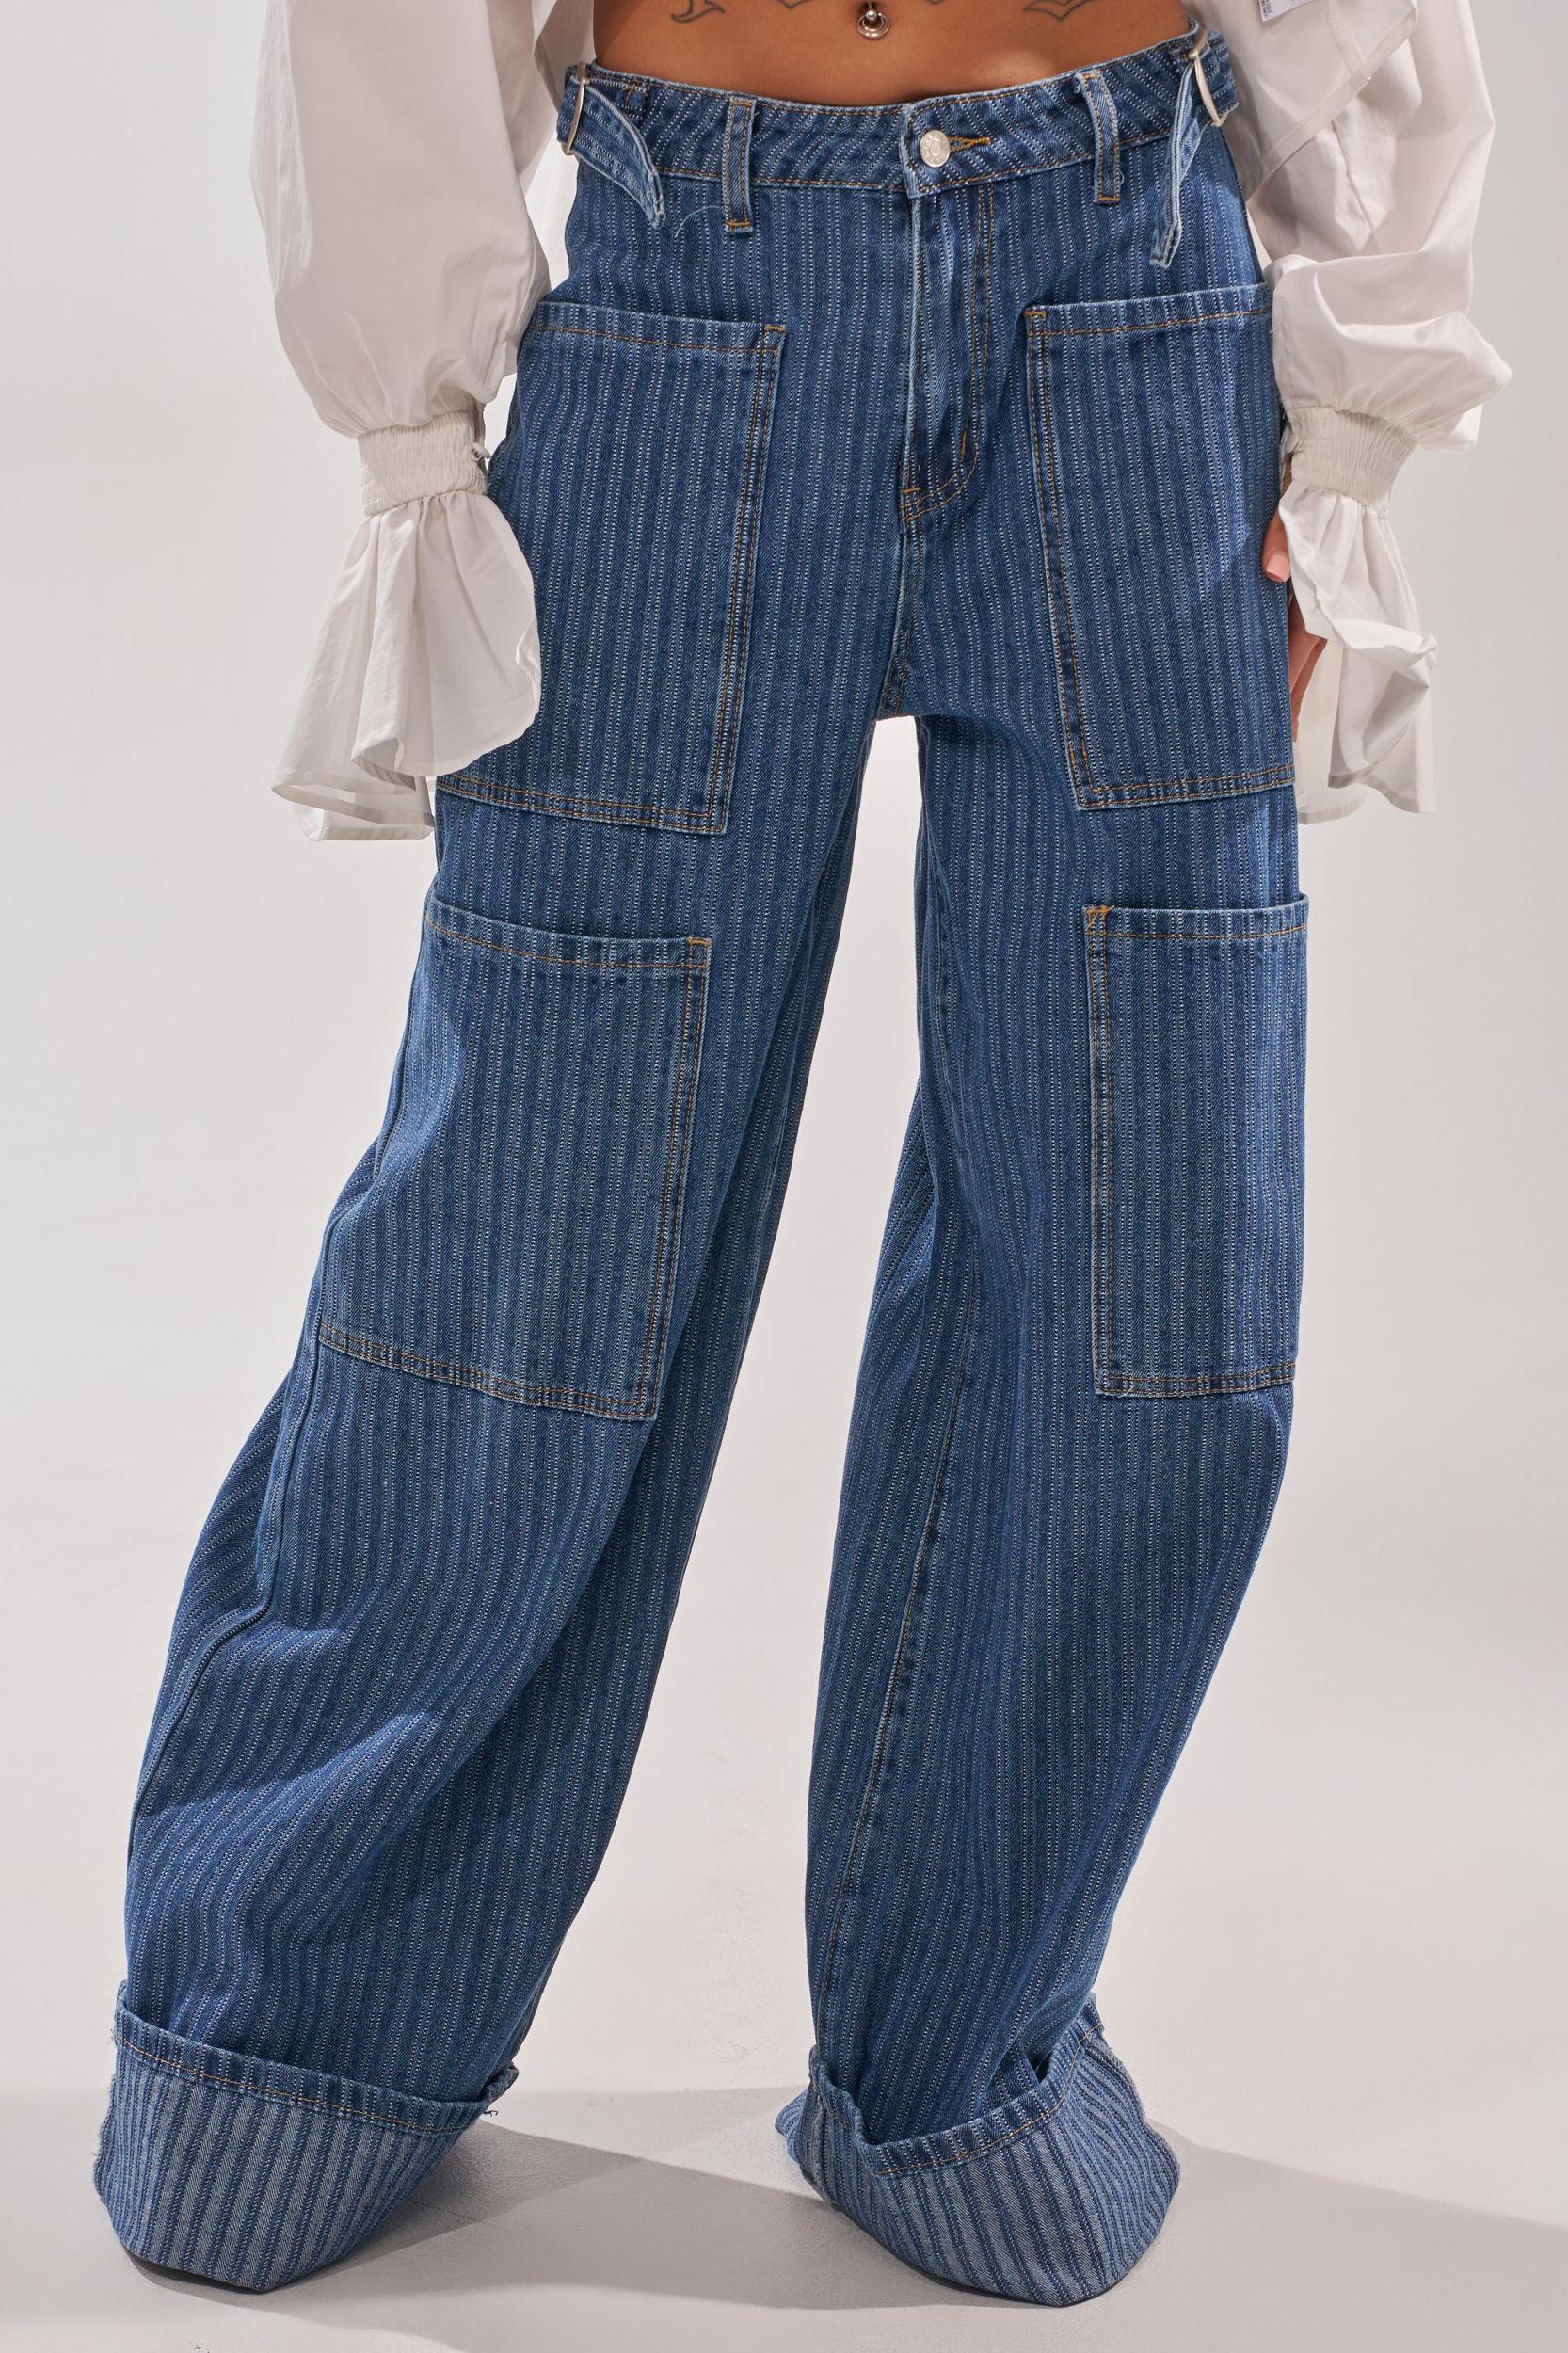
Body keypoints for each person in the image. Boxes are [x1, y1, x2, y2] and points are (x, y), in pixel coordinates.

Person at [94, 0, 1504, 2302]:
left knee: (1143, 1255)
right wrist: (416, 441)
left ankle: (958, 2063)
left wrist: (1344, 431)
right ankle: (284, 2038)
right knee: (526, 1239)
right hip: (687, 292)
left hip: (1135, 320)